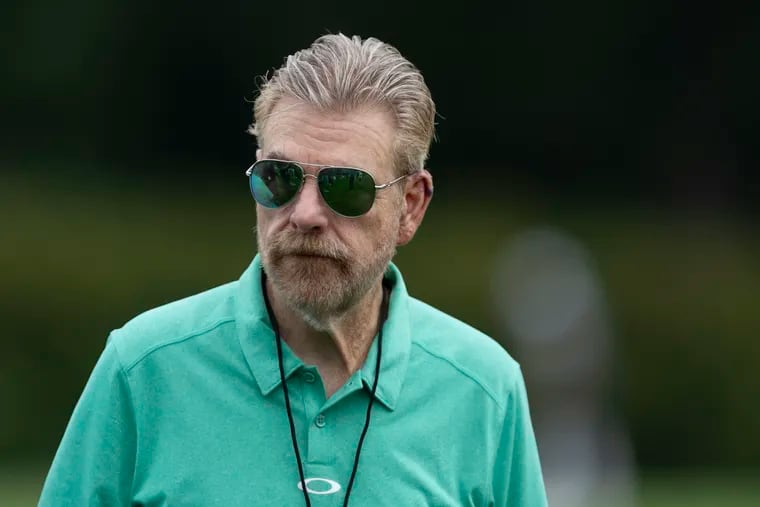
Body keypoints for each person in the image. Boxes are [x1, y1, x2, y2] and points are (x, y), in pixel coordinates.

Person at [38, 33, 547, 506]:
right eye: (278, 178)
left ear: (411, 206)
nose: (303, 214)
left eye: (346, 186)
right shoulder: (142, 368)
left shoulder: (484, 389)